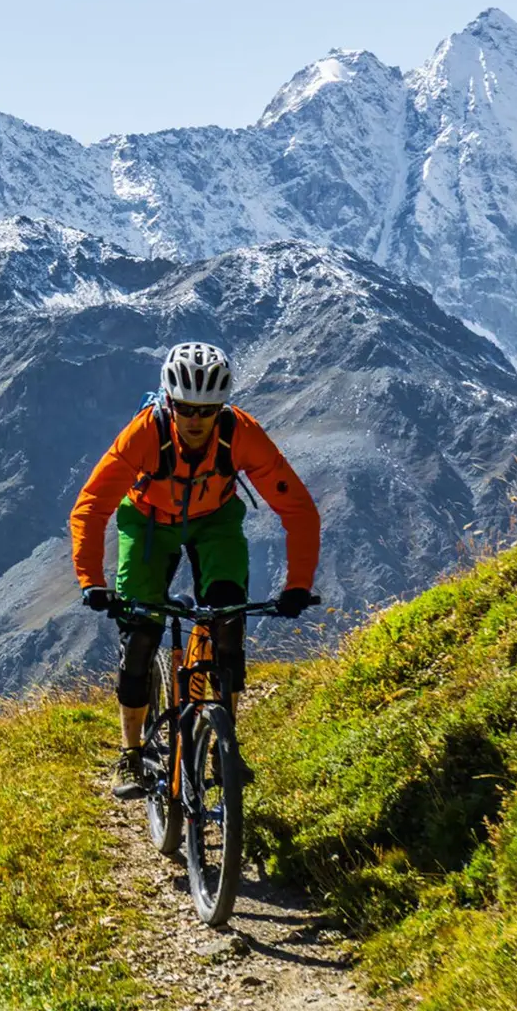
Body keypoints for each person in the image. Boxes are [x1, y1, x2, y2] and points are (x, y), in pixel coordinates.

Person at [69, 342, 320, 799]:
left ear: (222, 408)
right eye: (185, 408)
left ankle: (226, 747)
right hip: (147, 522)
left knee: (228, 626)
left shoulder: (241, 433)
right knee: (140, 635)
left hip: (215, 522)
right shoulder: (145, 434)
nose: (195, 420)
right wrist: (92, 581)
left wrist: (298, 585)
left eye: (207, 410)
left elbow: (299, 509)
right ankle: (131, 753)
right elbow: (91, 505)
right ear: (169, 401)